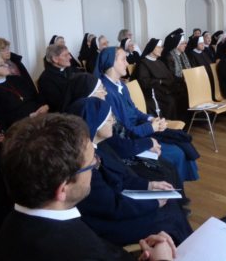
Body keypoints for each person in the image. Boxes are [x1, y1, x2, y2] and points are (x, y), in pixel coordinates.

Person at [0, 113, 177, 261]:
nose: (95, 165)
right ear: (63, 189)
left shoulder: (10, 226)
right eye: (91, 164)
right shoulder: (82, 252)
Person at [73, 98, 193, 246]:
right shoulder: (87, 165)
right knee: (169, 218)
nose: (113, 121)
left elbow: (122, 178)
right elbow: (113, 208)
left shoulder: (102, 146)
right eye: (108, 118)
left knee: (171, 206)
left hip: (120, 204)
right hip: (108, 224)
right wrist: (154, 204)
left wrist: (150, 185)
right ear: (96, 123)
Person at [94, 47, 199, 182]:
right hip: (129, 139)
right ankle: (173, 188)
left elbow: (134, 111)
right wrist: (151, 127)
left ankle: (176, 186)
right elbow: (123, 132)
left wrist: (151, 119)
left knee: (181, 143)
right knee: (176, 153)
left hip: (139, 129)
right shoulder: (106, 92)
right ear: (111, 63)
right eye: (123, 59)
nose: (127, 63)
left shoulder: (120, 84)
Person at [0, 53, 48, 128]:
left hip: (40, 119)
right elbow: (0, 119)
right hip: (19, 128)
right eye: (1, 65)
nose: (7, 65)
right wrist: (29, 117)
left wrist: (44, 106)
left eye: (4, 62)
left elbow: (35, 96)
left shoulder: (17, 79)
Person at [133, 38, 185, 120]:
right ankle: (168, 126)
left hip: (165, 88)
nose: (162, 49)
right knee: (171, 101)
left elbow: (170, 76)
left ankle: (182, 124)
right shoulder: (143, 63)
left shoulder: (159, 62)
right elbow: (144, 82)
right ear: (152, 48)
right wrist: (160, 81)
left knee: (183, 94)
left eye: (162, 47)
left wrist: (183, 79)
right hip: (153, 91)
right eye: (159, 47)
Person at [38, 44, 79, 112]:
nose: (70, 57)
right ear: (55, 59)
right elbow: (58, 103)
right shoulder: (46, 79)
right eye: (66, 55)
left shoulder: (69, 69)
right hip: (63, 113)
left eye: (69, 54)